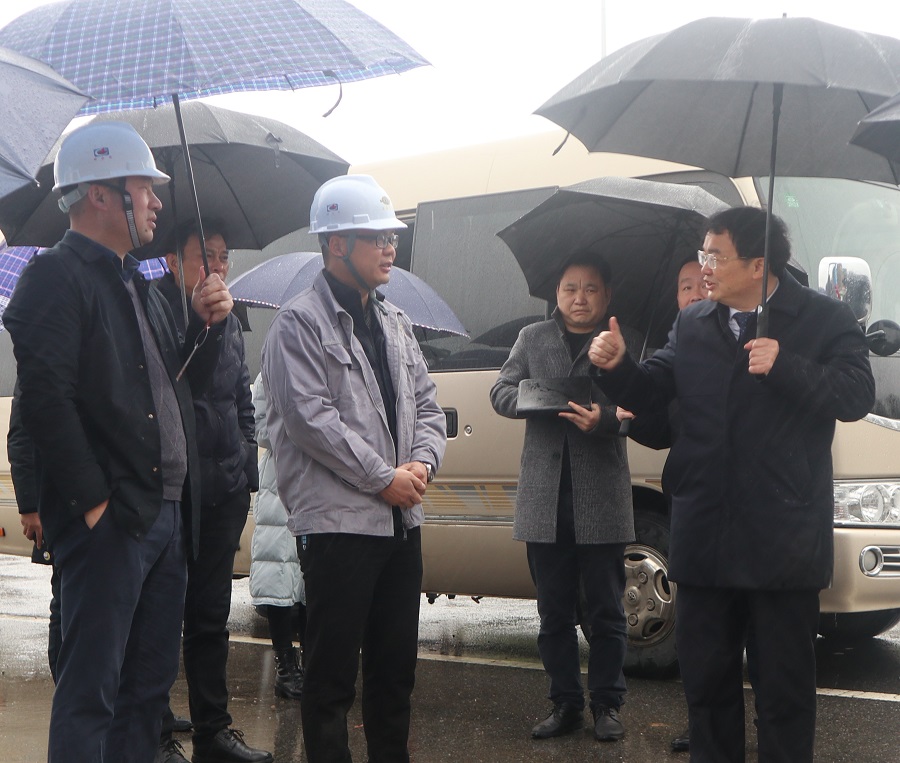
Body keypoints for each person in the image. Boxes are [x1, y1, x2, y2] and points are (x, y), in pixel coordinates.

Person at [588, 207, 876, 763]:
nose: (705, 267)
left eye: (716, 256)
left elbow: (856, 395)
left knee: (784, 695)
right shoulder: (694, 324)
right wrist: (619, 366)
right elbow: (652, 391)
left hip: (782, 541)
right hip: (705, 538)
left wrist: (785, 364)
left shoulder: (823, 318)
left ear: (758, 264)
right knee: (706, 690)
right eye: (703, 254)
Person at [3, 121, 233, 763]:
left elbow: (181, 387)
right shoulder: (55, 277)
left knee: (146, 694)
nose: (157, 201)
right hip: (112, 520)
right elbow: (45, 401)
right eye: (144, 187)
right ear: (100, 193)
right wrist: (93, 505)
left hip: (165, 513)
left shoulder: (140, 282)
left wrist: (207, 326)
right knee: (92, 693)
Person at [261, 174, 447, 763]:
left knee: (395, 675)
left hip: (400, 526)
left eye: (393, 237)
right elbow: (310, 421)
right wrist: (383, 478)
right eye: (377, 238)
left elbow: (427, 405)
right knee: (331, 681)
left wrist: (421, 463)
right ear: (336, 243)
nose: (390, 248)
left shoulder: (395, 322)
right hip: (339, 530)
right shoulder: (298, 324)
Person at [489, 257, 640, 744]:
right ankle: (566, 703)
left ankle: (608, 704)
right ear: (556, 292)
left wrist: (606, 419)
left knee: (607, 610)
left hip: (602, 496)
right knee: (553, 612)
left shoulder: (621, 341)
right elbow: (499, 390)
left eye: (591, 289)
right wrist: (534, 399)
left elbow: (641, 407)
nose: (580, 298)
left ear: (607, 295)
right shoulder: (532, 338)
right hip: (545, 497)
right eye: (571, 288)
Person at [154, 221, 270, 763]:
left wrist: (246, 461)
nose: (217, 266)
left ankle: (213, 730)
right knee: (159, 616)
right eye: (205, 255)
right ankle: (156, 729)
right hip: (176, 491)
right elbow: (171, 390)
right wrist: (200, 324)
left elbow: (241, 397)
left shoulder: (231, 316)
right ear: (173, 262)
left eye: (223, 256)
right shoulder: (156, 310)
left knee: (210, 617)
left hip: (225, 490)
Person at [249, 371, 306, 702]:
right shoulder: (270, 369)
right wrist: (302, 431)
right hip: (280, 480)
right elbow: (258, 426)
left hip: (320, 477)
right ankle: (286, 668)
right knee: (277, 575)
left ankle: (312, 665)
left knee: (311, 580)